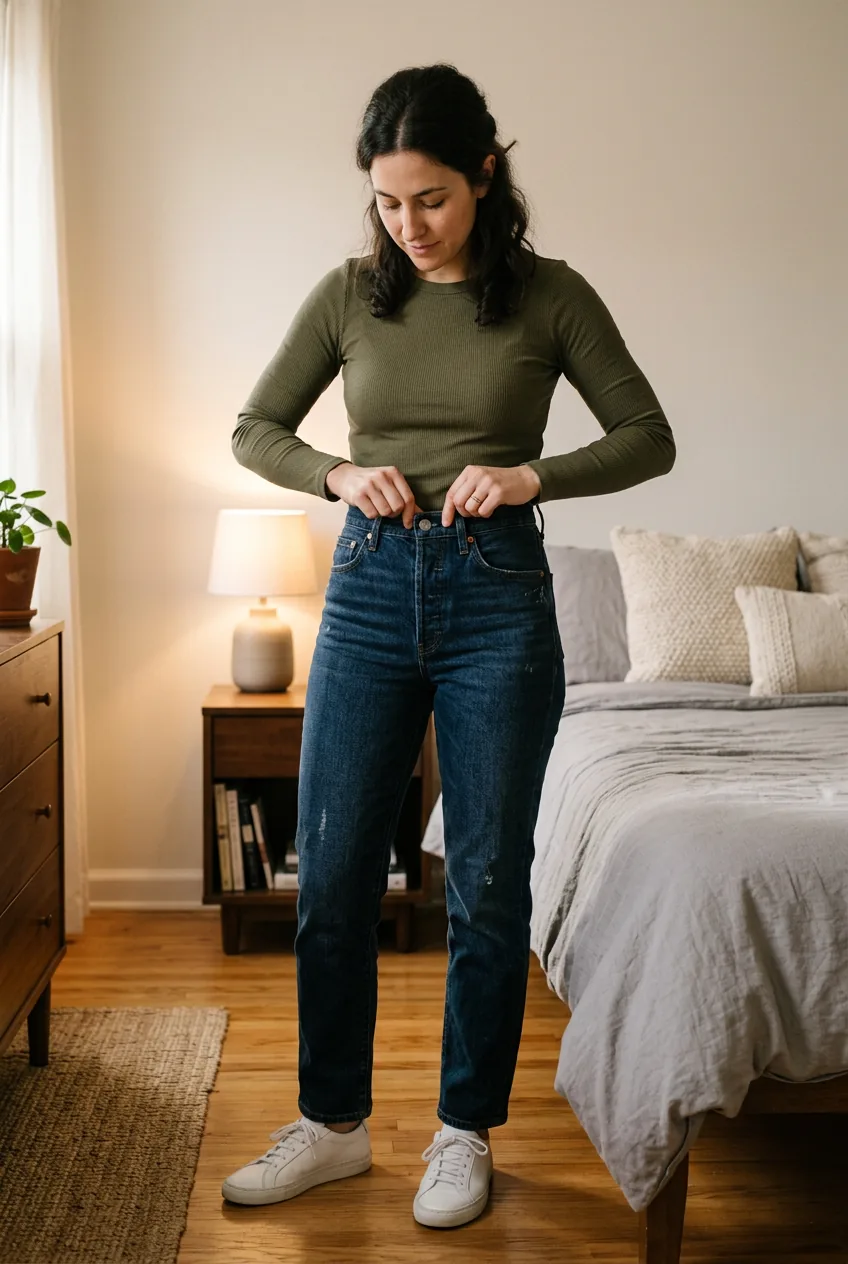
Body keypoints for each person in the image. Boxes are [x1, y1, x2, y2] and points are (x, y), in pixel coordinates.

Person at [221, 62, 675, 1229]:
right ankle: (330, 1126)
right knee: (329, 878)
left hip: (498, 598)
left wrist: (533, 473)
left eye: (428, 198)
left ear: (483, 174)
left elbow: (645, 435)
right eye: (384, 201)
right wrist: (331, 470)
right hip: (368, 594)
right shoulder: (346, 296)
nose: (405, 226)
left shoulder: (549, 297)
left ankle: (462, 1132)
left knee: (482, 882)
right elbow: (254, 427)